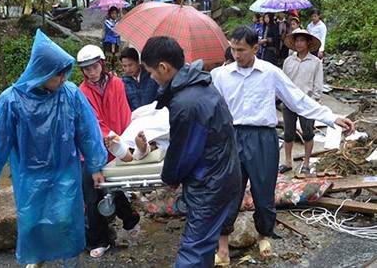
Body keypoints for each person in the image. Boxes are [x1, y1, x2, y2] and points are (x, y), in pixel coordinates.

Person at [213, 26, 355, 263]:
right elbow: (209, 107)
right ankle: (223, 249)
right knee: (228, 192)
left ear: (256, 48)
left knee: (263, 190)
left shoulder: (270, 72)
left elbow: (298, 100)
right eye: (233, 49)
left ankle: (263, 235)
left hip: (263, 138)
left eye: (241, 50)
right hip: (233, 136)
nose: (236, 55)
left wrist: (331, 118)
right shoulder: (221, 75)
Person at [0, 29, 108, 267]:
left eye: (64, 74)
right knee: (31, 221)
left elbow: (87, 133)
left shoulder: (69, 94)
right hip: (29, 176)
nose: (63, 79)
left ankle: (70, 263)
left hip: (65, 172)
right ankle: (36, 259)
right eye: (58, 75)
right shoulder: (11, 100)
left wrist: (95, 166)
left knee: (66, 221)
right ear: (43, 72)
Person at [141, 36, 241, 267]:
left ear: (164, 67)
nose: (152, 78)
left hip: (210, 182)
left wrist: (169, 177)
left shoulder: (187, 103)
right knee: (203, 244)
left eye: (151, 72)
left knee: (193, 249)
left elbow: (184, 152)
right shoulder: (199, 84)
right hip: (222, 173)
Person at [76, 45, 139, 258]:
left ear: (102, 64)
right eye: (87, 69)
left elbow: (124, 112)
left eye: (94, 67)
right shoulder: (81, 91)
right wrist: (108, 135)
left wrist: (125, 139)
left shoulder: (117, 84)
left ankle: (130, 220)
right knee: (92, 195)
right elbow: (91, 121)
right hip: (91, 148)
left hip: (116, 143)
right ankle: (99, 239)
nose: (91, 72)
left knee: (116, 186)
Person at [279, 30, 323, 175]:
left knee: (308, 133)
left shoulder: (315, 62)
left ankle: (306, 162)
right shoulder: (288, 61)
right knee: (288, 134)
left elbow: (318, 84)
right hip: (289, 102)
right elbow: (283, 82)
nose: (299, 43)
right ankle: (288, 162)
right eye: (297, 41)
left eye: (301, 41)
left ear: (308, 43)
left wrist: (314, 101)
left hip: (307, 103)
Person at [102, 6, 121, 72]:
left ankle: (115, 69)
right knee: (108, 56)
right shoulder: (107, 22)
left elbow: (119, 31)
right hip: (108, 41)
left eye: (115, 13)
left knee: (116, 56)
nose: (114, 15)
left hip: (116, 41)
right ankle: (107, 70)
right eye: (113, 13)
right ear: (110, 14)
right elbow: (112, 30)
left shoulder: (118, 22)